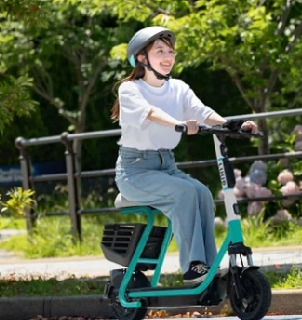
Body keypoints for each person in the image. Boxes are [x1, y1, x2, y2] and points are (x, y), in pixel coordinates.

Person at [110, 26, 257, 283]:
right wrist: (178, 124)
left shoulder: (178, 88)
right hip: (135, 172)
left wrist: (231, 124)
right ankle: (194, 266)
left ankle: (208, 267)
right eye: (160, 51)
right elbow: (150, 113)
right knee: (185, 193)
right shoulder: (130, 89)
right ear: (142, 58)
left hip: (166, 167)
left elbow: (201, 111)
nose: (168, 57)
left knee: (201, 193)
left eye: (170, 51)